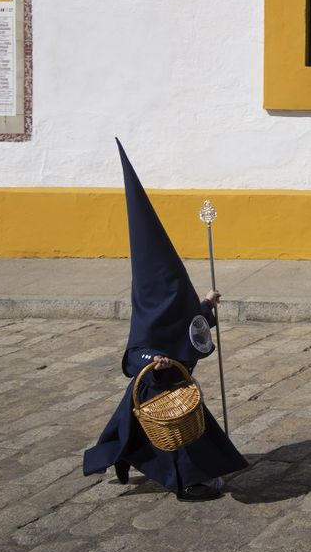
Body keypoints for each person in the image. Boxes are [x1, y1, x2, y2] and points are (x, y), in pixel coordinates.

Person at [83, 140, 248, 501]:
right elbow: (134, 354)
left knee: (134, 432)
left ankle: (125, 455)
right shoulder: (149, 307)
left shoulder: (173, 297)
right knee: (183, 441)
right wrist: (153, 359)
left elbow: (189, 324)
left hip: (177, 383)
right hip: (157, 388)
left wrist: (206, 305)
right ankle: (187, 484)